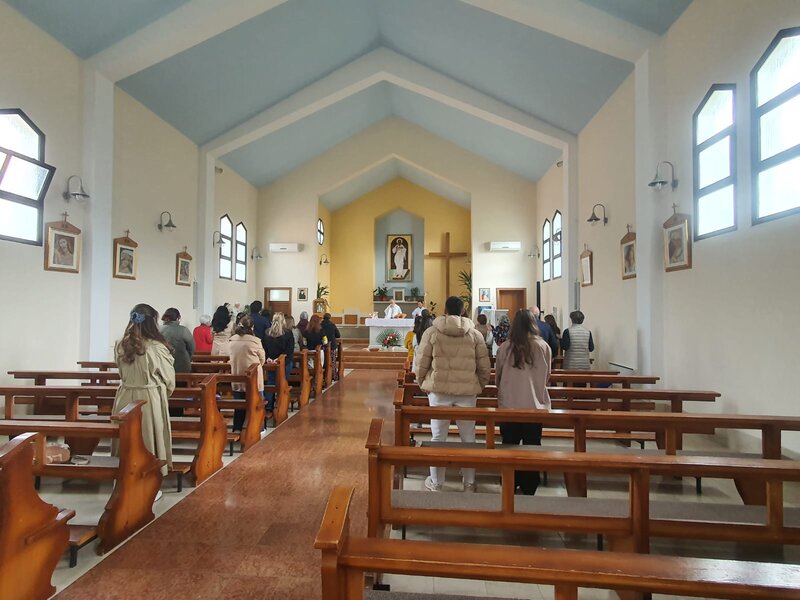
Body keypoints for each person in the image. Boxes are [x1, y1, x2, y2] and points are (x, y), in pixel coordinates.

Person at [416, 296, 491, 492]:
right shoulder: (474, 334)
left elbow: (421, 361)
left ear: (445, 310)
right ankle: (469, 482)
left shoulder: (432, 332)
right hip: (467, 392)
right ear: (463, 311)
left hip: (439, 391)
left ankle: (436, 482)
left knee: (438, 437)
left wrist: (422, 382)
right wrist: (479, 385)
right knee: (468, 438)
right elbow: (484, 366)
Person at [112, 304, 175, 485]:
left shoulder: (120, 343)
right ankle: (147, 481)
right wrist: (163, 392)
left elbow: (120, 370)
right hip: (148, 398)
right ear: (152, 322)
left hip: (125, 395)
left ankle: (123, 477)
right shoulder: (156, 347)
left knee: (127, 439)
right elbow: (169, 379)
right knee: (147, 438)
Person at [495, 309, 552, 495]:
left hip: (509, 404)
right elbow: (547, 376)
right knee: (532, 445)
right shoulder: (543, 346)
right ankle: (529, 484)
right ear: (533, 324)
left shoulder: (505, 347)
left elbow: (498, 376)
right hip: (534, 405)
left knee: (509, 444)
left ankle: (510, 481)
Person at [229, 315, 265, 432]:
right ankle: (260, 428)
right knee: (257, 403)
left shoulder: (232, 340)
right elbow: (262, 359)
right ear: (252, 327)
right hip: (254, 377)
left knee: (239, 405)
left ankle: (237, 428)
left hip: (237, 375)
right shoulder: (255, 341)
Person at [160, 308, 195, 417]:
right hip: (181, 365)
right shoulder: (183, 330)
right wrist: (188, 358)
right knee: (180, 391)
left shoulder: (159, 330)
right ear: (178, 317)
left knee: (165, 390)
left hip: (163, 365)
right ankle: (178, 414)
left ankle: (166, 414)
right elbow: (192, 348)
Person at [263, 313, 295, 411]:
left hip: (270, 363)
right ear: (283, 321)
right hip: (284, 362)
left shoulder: (267, 332)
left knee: (271, 383)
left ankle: (269, 407)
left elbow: (264, 348)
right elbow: (289, 350)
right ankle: (281, 405)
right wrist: (279, 359)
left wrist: (268, 358)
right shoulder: (288, 333)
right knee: (283, 382)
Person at [321, 313, 341, 379]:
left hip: (323, 346)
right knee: (333, 361)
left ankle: (324, 375)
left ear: (323, 318)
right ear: (330, 318)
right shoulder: (332, 325)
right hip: (332, 345)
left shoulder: (320, 325)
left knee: (324, 361)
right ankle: (333, 375)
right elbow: (338, 335)